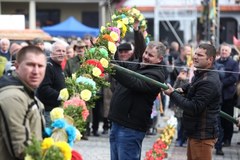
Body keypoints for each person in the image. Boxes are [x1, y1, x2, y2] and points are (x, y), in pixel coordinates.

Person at [108, 41, 166, 160]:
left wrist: (111, 67)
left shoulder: (156, 75)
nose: (145, 57)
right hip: (117, 122)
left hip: (131, 127)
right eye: (146, 53)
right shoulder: (136, 64)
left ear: (159, 59)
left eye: (150, 55)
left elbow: (133, 83)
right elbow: (121, 66)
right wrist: (107, 55)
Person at [163, 43, 221, 160]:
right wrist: (182, 89)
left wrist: (173, 94)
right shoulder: (201, 74)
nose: (195, 57)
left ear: (210, 60)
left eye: (200, 55)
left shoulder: (208, 81)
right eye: (195, 53)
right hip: (195, 133)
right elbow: (192, 86)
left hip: (202, 136)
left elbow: (194, 107)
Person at [0, 46, 46, 160]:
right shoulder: (13, 97)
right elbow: (22, 150)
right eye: (30, 65)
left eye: (40, 66)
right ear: (17, 66)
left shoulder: (26, 92)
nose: (36, 71)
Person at [36, 41, 67, 127]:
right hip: (48, 112)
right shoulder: (48, 66)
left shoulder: (58, 66)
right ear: (51, 53)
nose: (61, 53)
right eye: (58, 51)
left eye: (63, 51)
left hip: (57, 110)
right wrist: (60, 96)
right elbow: (43, 88)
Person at [216, 43, 239, 147]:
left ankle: (227, 139)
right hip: (217, 95)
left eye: (226, 50)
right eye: (222, 50)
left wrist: (222, 83)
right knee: (219, 119)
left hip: (228, 95)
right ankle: (219, 139)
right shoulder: (216, 62)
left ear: (229, 52)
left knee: (228, 119)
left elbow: (234, 78)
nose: (224, 52)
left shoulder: (234, 63)